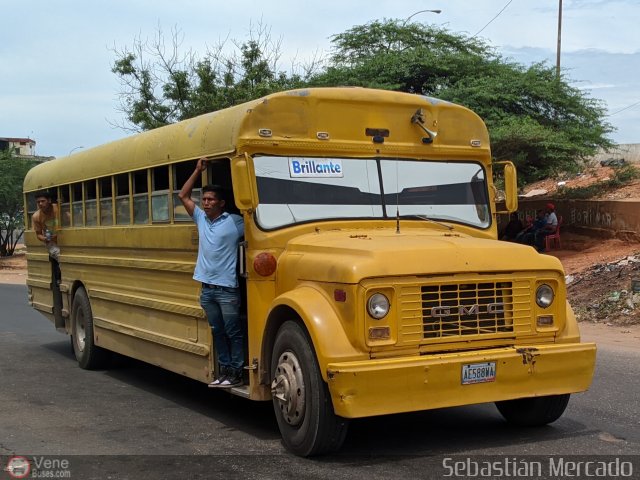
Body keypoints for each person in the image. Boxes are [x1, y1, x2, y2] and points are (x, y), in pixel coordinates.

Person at [179, 158, 245, 388]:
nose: (206, 203)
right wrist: (197, 170)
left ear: (222, 203)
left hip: (227, 287)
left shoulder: (235, 222)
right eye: (204, 199)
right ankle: (225, 370)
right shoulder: (200, 219)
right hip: (207, 288)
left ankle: (237, 372)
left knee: (233, 332)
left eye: (210, 200)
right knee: (218, 332)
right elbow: (183, 196)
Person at [31, 190, 60, 261]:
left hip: (65, 239)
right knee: (59, 256)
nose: (40, 204)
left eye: (43, 201)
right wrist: (45, 239)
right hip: (52, 243)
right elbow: (38, 234)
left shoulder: (58, 208)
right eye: (38, 202)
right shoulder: (36, 216)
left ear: (49, 200)